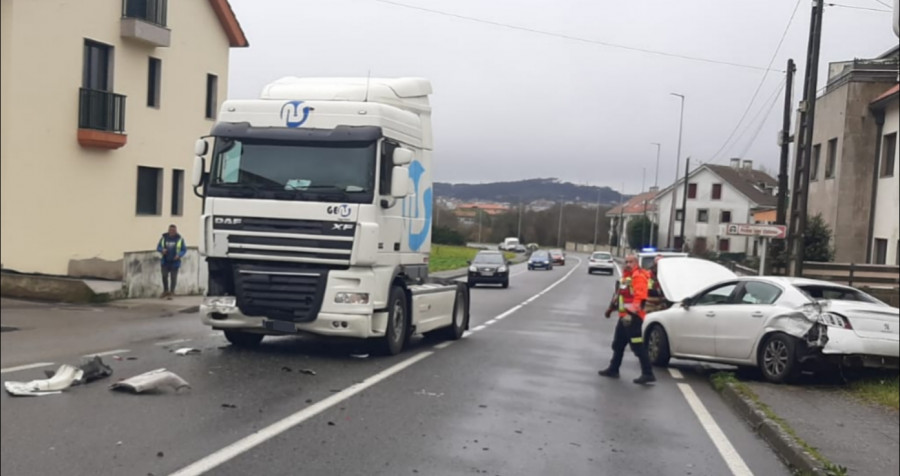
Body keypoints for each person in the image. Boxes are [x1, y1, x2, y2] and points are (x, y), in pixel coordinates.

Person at [598, 253, 656, 384]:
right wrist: (611, 309)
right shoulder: (626, 277)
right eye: (626, 262)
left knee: (637, 346)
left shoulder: (639, 276)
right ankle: (613, 369)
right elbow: (620, 296)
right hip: (624, 317)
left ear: (636, 263)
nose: (628, 264)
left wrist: (631, 313)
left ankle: (648, 373)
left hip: (633, 318)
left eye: (631, 262)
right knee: (618, 344)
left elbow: (640, 298)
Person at [157, 225, 186, 300]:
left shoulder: (180, 239)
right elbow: (158, 247)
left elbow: (184, 250)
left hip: (175, 261)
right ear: (168, 230)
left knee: (173, 278)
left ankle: (172, 291)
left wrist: (179, 255)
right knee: (164, 276)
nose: (172, 232)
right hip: (165, 261)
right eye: (171, 230)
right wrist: (162, 250)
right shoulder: (164, 238)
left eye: (174, 230)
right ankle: (165, 290)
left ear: (176, 231)